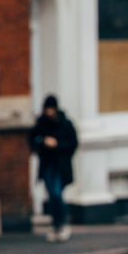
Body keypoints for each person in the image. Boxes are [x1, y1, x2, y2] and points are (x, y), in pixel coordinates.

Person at [29, 94, 78, 241]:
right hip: (47, 165)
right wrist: (43, 142)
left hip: (60, 165)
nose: (49, 112)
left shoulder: (65, 123)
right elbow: (33, 140)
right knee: (52, 195)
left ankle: (61, 224)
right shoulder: (41, 124)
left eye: (51, 109)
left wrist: (57, 144)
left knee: (57, 193)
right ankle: (56, 224)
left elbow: (72, 143)